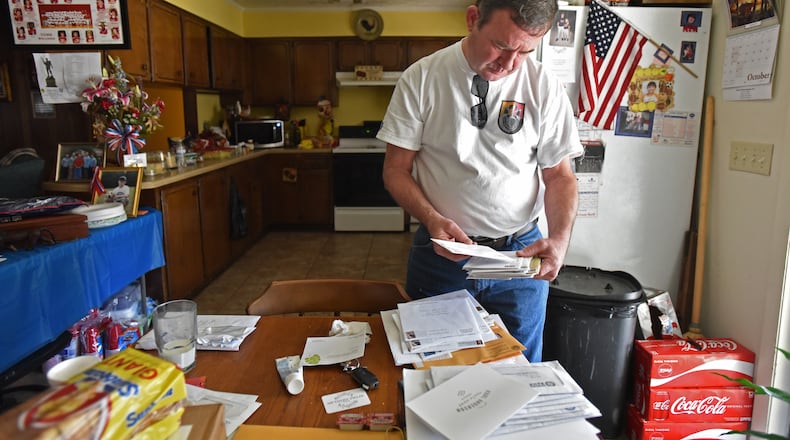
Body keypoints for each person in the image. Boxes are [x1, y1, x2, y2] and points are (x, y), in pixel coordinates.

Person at [377, 0, 583, 362]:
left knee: (519, 373)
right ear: (473, 19)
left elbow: (560, 176)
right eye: (502, 46)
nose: (510, 64)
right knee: (435, 371)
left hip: (520, 258)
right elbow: (395, 170)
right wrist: (431, 218)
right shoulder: (422, 77)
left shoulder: (544, 86)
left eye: (525, 51)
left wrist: (560, 240)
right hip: (442, 257)